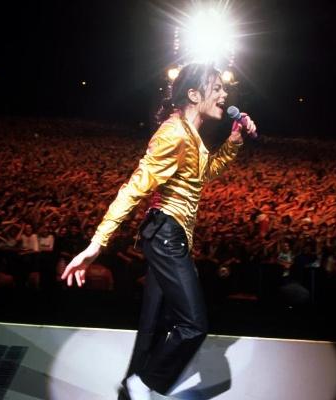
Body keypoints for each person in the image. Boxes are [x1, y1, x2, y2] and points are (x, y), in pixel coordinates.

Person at [61, 63, 256, 399]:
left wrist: (234, 140)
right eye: (217, 88)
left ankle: (132, 386)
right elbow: (133, 189)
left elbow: (204, 173)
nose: (224, 94)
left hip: (168, 234)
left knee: (153, 326)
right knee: (193, 325)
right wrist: (97, 244)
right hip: (166, 235)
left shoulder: (190, 133)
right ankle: (144, 383)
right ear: (193, 94)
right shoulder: (173, 133)